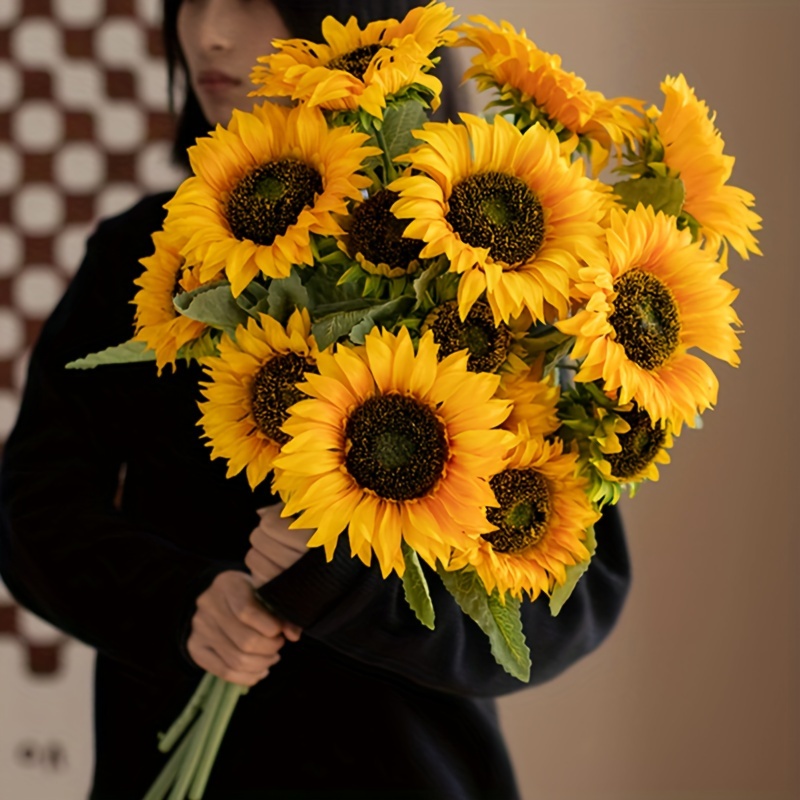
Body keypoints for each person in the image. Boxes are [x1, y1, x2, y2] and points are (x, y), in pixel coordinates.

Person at [0, 1, 632, 798]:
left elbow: (571, 593)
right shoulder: (149, 255)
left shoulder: (487, 265)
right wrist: (188, 604)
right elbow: (33, 510)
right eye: (192, 0)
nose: (209, 35)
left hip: (406, 769)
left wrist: (350, 583)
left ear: (359, 20)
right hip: (172, 761)